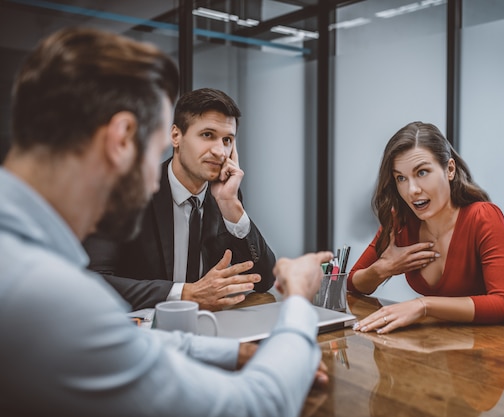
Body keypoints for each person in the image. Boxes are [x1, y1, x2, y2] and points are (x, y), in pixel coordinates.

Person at [0, 27, 332, 417]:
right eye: (155, 146)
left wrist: (227, 351)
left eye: (227, 140)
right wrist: (297, 302)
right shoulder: (52, 293)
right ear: (123, 139)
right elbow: (255, 406)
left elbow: (121, 339)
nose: (153, 178)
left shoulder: (26, 262)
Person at [83, 87, 276, 312]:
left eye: (227, 140)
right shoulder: (127, 192)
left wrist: (231, 206)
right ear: (176, 136)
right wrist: (184, 293)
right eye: (207, 135)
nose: (220, 151)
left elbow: (264, 280)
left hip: (208, 328)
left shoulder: (225, 195)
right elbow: (94, 280)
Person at [349, 121, 504, 334]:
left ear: (449, 169)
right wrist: (383, 269)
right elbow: (354, 282)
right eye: (401, 178)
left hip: (496, 350)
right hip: (440, 345)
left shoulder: (482, 217)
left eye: (422, 172)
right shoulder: (401, 222)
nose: (412, 190)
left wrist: (424, 305)